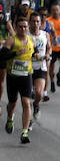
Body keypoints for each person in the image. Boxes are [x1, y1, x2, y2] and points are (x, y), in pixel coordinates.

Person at [2, 15, 34, 143]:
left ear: (28, 27)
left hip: (26, 75)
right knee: (12, 104)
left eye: (25, 27)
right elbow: (2, 56)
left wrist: (37, 54)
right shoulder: (11, 40)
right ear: (15, 27)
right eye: (20, 27)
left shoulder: (31, 40)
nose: (23, 29)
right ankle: (10, 118)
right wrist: (15, 53)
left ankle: (24, 133)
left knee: (26, 102)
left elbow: (35, 50)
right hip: (13, 76)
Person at [27, 11, 49, 117]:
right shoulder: (26, 35)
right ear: (29, 22)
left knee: (39, 93)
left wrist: (48, 54)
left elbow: (49, 48)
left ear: (40, 23)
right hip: (27, 68)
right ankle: (28, 118)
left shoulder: (45, 35)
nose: (35, 23)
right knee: (28, 95)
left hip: (41, 66)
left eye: (37, 21)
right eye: (33, 21)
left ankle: (36, 104)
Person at [47, 2, 60, 93]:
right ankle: (52, 82)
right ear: (51, 11)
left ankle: (59, 74)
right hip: (52, 47)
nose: (55, 11)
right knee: (51, 68)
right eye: (53, 10)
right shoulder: (48, 20)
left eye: (57, 10)